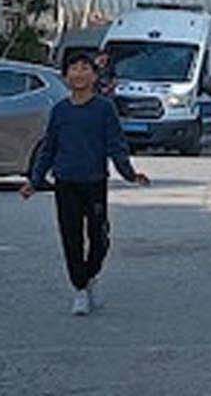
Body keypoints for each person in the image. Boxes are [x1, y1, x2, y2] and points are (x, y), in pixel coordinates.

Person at [22, 51, 149, 315]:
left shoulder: (104, 109)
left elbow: (116, 144)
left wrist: (129, 173)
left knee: (100, 237)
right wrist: (34, 180)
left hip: (94, 182)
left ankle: (91, 275)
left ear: (94, 75)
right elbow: (48, 148)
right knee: (71, 238)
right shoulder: (60, 111)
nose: (79, 74)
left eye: (84, 68)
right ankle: (79, 289)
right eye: (73, 69)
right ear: (66, 76)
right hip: (65, 182)